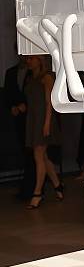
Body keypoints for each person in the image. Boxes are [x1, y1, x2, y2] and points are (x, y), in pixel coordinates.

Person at [23, 55, 63, 209]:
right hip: (33, 119)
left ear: (40, 60)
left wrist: (46, 124)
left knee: (38, 155)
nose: (28, 61)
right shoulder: (30, 77)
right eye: (27, 59)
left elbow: (49, 102)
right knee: (43, 156)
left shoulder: (46, 77)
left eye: (32, 58)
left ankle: (37, 193)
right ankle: (58, 185)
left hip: (43, 119)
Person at [4, 53, 34, 199]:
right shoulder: (11, 72)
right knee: (25, 149)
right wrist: (12, 107)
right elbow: (8, 94)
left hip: (33, 116)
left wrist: (26, 106)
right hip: (18, 117)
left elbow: (37, 96)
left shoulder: (34, 72)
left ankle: (33, 187)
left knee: (36, 152)